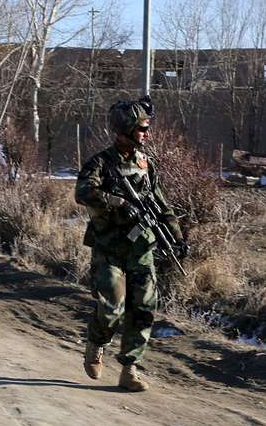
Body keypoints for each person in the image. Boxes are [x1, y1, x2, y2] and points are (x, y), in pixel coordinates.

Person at [74, 95, 186, 392]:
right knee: (112, 305)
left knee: (144, 308)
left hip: (141, 248)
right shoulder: (100, 163)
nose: (146, 134)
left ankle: (129, 368)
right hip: (109, 247)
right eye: (141, 129)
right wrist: (118, 203)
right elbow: (83, 191)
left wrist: (176, 236)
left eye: (146, 128)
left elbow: (161, 204)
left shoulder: (144, 164)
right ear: (123, 130)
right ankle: (96, 343)